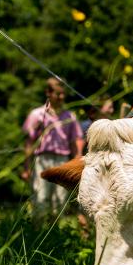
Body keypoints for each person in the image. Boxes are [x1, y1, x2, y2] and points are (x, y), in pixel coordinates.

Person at [21, 77, 84, 220]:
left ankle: (55, 232)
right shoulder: (37, 114)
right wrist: (26, 167)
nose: (61, 97)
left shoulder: (70, 116)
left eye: (63, 94)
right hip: (42, 159)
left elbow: (76, 140)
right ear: (48, 93)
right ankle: (38, 230)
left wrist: (77, 158)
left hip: (62, 159)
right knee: (40, 197)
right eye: (58, 94)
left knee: (60, 200)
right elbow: (29, 143)